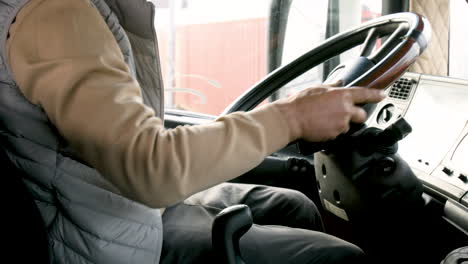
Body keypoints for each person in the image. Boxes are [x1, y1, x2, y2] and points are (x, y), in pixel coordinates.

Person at [0, 0, 385, 263]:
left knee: (294, 205)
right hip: (100, 240)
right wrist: (292, 119)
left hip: (114, 204)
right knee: (338, 258)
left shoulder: (91, 11)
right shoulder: (58, 18)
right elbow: (150, 169)